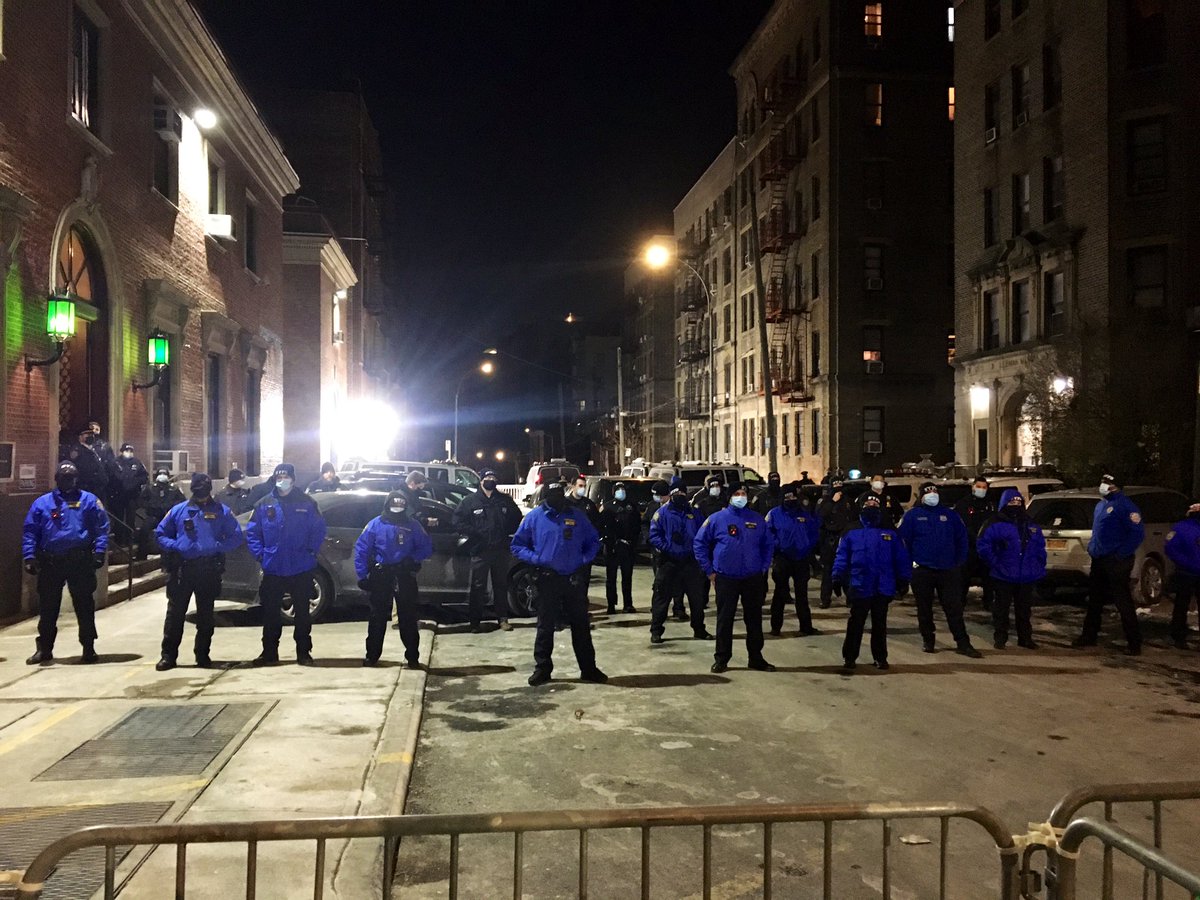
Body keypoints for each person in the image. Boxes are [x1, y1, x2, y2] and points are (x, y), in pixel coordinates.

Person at [511, 481, 606, 686]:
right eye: (552, 496)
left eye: (559, 495)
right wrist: (536, 559)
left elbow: (593, 541)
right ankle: (543, 669)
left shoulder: (576, 516)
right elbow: (517, 545)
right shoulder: (535, 517)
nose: (557, 500)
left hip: (573, 579)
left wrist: (583, 559)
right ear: (546, 497)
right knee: (545, 626)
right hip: (547, 578)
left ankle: (588, 669)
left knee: (580, 625)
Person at [153, 473, 245, 670]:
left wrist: (218, 546)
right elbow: (160, 534)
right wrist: (176, 545)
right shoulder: (178, 510)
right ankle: (168, 656)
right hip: (183, 569)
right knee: (175, 614)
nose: (200, 495)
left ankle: (202, 655)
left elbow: (236, 537)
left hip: (208, 569)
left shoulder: (222, 511)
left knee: (205, 616)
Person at [21, 462, 109, 665]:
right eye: (63, 477)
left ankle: (88, 647)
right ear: (56, 479)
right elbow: (30, 531)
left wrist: (99, 551)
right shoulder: (42, 503)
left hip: (80, 561)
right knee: (48, 608)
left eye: (71, 477)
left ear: (77, 479)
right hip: (51, 561)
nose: (67, 481)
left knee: (84, 606)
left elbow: (101, 528)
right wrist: (29, 556)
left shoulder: (89, 501)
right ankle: (44, 649)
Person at [245, 463, 327, 665]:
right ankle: (269, 653)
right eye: (279, 477)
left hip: (301, 567)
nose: (282, 481)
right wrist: (261, 555)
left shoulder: (307, 503)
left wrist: (310, 552)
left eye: (286, 477)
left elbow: (318, 530)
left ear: (293, 479)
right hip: (273, 567)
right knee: (271, 614)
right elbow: (253, 533)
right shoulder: (264, 504)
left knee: (302, 615)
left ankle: (303, 653)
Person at [694, 482, 776, 673]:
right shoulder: (717, 519)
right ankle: (722, 658)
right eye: (737, 493)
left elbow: (768, 545)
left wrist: (763, 567)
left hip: (752, 577)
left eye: (743, 493)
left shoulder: (757, 519)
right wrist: (709, 570)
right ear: (730, 496)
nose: (741, 496)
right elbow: (699, 543)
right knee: (725, 619)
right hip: (725, 577)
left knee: (754, 619)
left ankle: (756, 657)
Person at [897, 482, 982, 657]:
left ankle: (962, 642)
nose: (932, 495)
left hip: (948, 570)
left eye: (934, 491)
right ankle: (928, 640)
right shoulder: (913, 516)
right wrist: (909, 565)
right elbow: (903, 542)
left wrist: (959, 561)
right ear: (921, 496)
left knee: (954, 608)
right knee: (924, 608)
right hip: (922, 570)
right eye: (928, 492)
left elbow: (962, 539)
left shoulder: (950, 515)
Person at [832, 494, 910, 671]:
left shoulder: (890, 531)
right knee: (856, 623)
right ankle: (850, 657)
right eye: (868, 503)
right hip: (860, 584)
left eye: (875, 503)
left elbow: (901, 557)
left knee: (880, 624)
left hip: (883, 585)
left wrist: (903, 578)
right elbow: (842, 556)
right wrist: (837, 576)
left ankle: (880, 657)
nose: (872, 505)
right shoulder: (851, 530)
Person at [355, 490, 433, 667]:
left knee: (408, 617)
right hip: (381, 574)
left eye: (401, 504)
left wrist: (412, 559)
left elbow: (426, 546)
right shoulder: (375, 524)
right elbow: (361, 549)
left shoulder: (412, 525)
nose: (397, 507)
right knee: (377, 617)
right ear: (387, 504)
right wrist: (362, 574)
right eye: (394, 503)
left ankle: (412, 656)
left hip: (404, 575)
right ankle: (372, 655)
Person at [1072, 473, 1145, 655]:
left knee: (1122, 601)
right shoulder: (1101, 505)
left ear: (1115, 486)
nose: (1103, 486)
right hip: (1100, 559)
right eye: (1103, 482)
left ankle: (1134, 642)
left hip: (1116, 561)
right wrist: (1093, 548)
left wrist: (1121, 554)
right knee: (1095, 600)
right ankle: (1089, 636)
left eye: (1107, 483)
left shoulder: (1126, 506)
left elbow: (1137, 534)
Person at [453, 469, 523, 631]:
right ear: (481, 480)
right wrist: (475, 533)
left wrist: (505, 531)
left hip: (500, 549)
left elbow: (516, 518)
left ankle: (503, 619)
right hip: (480, 550)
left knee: (501, 585)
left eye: (493, 477)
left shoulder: (504, 500)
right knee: (478, 586)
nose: (491, 480)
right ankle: (475, 622)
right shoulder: (470, 501)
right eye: (488, 477)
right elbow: (457, 521)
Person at [976, 489, 1046, 650]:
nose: (1015, 505)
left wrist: (1039, 564)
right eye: (1011, 502)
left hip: (1026, 575)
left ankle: (1025, 638)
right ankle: (1000, 638)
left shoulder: (1030, 524)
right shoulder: (994, 523)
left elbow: (1040, 547)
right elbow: (984, 546)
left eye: (1018, 502)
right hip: (1004, 575)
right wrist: (996, 563)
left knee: (1024, 610)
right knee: (1001, 609)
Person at [648, 481, 711, 642]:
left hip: (690, 562)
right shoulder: (662, 513)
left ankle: (699, 629)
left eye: (683, 494)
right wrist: (667, 547)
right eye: (677, 494)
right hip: (669, 562)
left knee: (696, 599)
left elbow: (703, 534)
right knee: (661, 597)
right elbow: (654, 536)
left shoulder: (694, 513)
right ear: (671, 494)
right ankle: (656, 631)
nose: (680, 497)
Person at [766, 482, 821, 636]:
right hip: (782, 559)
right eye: (787, 496)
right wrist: (778, 547)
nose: (790, 499)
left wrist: (807, 546)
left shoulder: (804, 514)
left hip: (801, 558)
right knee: (780, 593)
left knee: (802, 595)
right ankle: (775, 627)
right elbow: (768, 534)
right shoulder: (774, 514)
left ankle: (806, 626)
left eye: (793, 496)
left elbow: (813, 532)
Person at [954, 478, 997, 611]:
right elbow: (960, 525)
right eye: (979, 486)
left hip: (986, 547)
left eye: (984, 487)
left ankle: (989, 602)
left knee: (988, 577)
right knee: (963, 577)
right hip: (969, 547)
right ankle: (960, 603)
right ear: (973, 487)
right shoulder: (964, 504)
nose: (981, 489)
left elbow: (994, 523)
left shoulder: (990, 504)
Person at [599, 481, 641, 613]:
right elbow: (603, 527)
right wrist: (608, 541)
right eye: (618, 489)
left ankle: (628, 604)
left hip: (627, 546)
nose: (621, 492)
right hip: (612, 546)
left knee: (627, 577)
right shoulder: (608, 507)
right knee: (611, 577)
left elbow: (637, 526)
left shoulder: (631, 507)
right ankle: (611, 604)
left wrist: (633, 542)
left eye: (623, 489)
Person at [1165, 502, 1200, 649]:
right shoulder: (1181, 528)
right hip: (1188, 572)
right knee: (1181, 604)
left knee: (1181, 604)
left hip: (1185, 572)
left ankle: (1178, 636)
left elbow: (1170, 548)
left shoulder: (1179, 528)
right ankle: (1178, 635)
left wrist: (1185, 563)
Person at [817, 479, 854, 609]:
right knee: (828, 571)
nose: (838, 488)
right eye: (835, 485)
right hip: (830, 540)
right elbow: (820, 515)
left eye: (840, 485)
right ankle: (825, 599)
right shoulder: (825, 501)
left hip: (844, 538)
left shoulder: (848, 500)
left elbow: (853, 517)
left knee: (847, 569)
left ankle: (850, 598)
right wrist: (833, 501)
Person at [135, 468, 185, 559]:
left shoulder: (174, 489)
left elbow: (182, 501)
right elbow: (141, 501)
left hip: (168, 517)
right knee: (144, 531)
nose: (162, 475)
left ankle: (169, 558)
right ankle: (141, 555)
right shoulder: (150, 488)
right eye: (160, 473)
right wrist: (150, 506)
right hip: (153, 516)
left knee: (171, 534)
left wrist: (172, 507)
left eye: (164, 473)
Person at [109, 442, 148, 545]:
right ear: (122, 451)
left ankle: (129, 540)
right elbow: (111, 477)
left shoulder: (137, 462)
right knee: (119, 519)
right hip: (118, 496)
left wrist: (135, 482)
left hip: (132, 496)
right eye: (127, 451)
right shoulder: (115, 463)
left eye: (131, 451)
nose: (129, 453)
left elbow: (144, 476)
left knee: (131, 519)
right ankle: (119, 541)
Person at [61, 423, 109, 500]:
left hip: (97, 492)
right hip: (85, 492)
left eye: (92, 434)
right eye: (87, 434)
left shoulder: (94, 450)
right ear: (80, 437)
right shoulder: (77, 452)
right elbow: (83, 472)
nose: (91, 436)